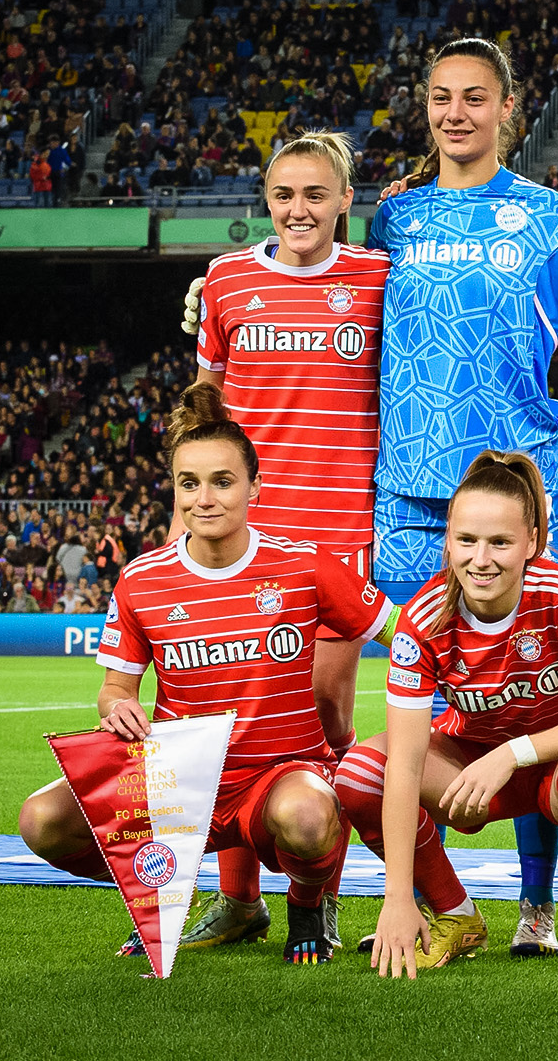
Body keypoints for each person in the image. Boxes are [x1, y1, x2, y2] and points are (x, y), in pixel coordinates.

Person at [16, 382, 400, 965]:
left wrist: (476, 644)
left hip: (280, 776)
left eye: (222, 481)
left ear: (253, 486)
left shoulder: (305, 566)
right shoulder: (141, 580)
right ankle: (159, 889)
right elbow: (115, 688)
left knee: (308, 816)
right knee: (41, 820)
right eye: (188, 483)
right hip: (179, 784)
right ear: (174, 491)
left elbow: (398, 633)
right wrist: (116, 707)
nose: (205, 498)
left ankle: (307, 905)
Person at [368, 38, 558, 955]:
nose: (455, 113)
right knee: (415, 710)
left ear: (510, 108)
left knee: (539, 702)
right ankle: (439, 904)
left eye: (474, 98)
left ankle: (542, 913)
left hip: (520, 491)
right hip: (409, 496)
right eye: (439, 97)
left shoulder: (553, 220)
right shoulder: (394, 218)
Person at [176, 130, 390, 954]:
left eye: (315, 194)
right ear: (264, 202)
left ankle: (315, 894)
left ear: (345, 201)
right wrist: (184, 532)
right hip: (238, 533)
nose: (298, 210)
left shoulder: (376, 278)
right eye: (282, 195)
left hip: (338, 531)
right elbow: (206, 410)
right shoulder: (228, 281)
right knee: (227, 723)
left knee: (327, 721)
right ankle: (238, 901)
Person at [339, 451, 558, 977]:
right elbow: (406, 764)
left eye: (500, 542)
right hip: (471, 769)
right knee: (360, 774)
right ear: (447, 540)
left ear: (531, 543)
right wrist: (396, 899)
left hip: (557, 767)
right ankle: (455, 914)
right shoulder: (423, 619)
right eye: (466, 541)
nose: (481, 558)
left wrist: (513, 753)